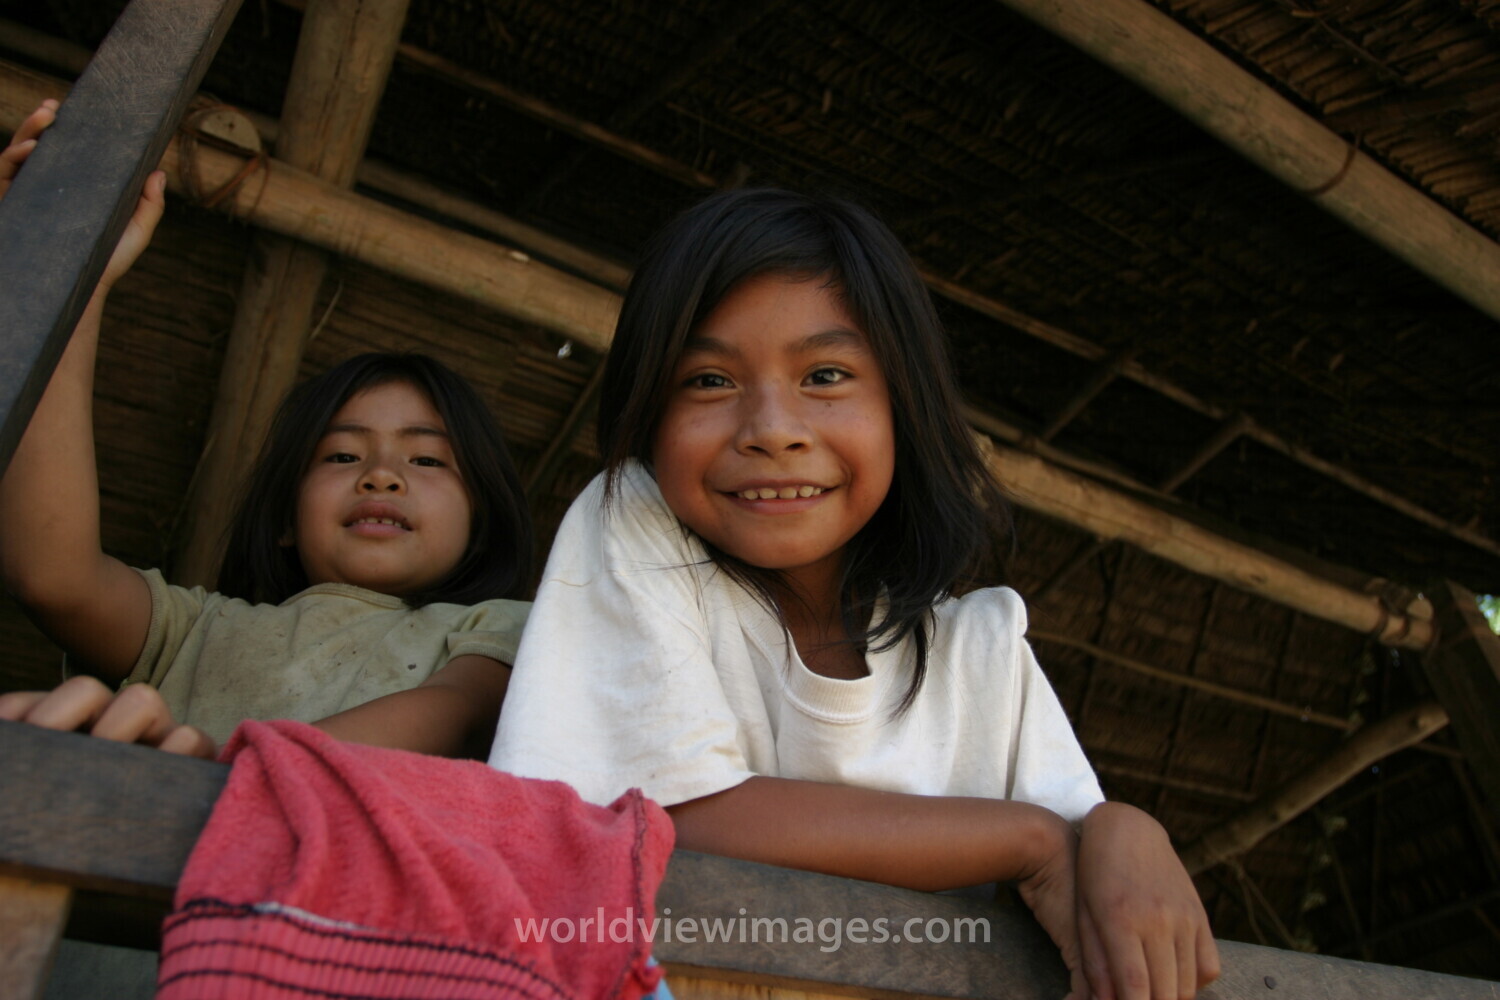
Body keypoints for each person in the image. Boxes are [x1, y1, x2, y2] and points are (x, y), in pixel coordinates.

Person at [491, 188, 1219, 1000]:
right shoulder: (631, 528)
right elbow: (669, 819)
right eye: (707, 379)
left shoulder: (981, 652)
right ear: (648, 415)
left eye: (826, 374)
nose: (771, 427)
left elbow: (1095, 865)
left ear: (904, 407)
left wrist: (1125, 827)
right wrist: (1032, 842)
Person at [0, 101, 532, 761]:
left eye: (427, 462)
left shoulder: (502, 628)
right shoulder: (194, 630)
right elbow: (52, 576)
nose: (381, 474)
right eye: (341, 453)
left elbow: (452, 713)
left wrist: (215, 785)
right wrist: (65, 272)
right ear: (284, 516)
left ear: (480, 522)